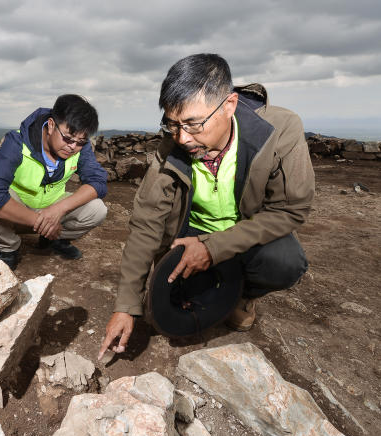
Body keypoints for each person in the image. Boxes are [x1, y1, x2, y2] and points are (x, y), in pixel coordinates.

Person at [98, 53, 314, 360]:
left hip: (246, 233)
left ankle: (244, 296)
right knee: (161, 313)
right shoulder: (171, 146)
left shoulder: (280, 131)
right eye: (172, 124)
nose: (183, 138)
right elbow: (146, 223)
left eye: (193, 124)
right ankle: (207, 284)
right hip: (189, 234)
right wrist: (126, 306)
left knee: (285, 261)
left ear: (229, 106)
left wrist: (213, 248)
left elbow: (291, 209)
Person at [0, 94, 108, 269]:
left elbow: (98, 181)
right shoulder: (17, 142)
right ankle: (8, 248)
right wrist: (42, 222)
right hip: (18, 210)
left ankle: (55, 240)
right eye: (68, 139)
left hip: (53, 207)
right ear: (52, 125)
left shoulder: (78, 147)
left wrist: (58, 209)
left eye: (80, 142)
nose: (72, 147)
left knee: (97, 209)